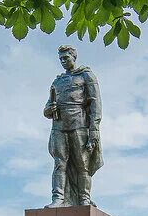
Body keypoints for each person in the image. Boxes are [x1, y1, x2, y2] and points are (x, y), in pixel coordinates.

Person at [44, 45, 103, 207]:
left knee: (82, 164)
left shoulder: (86, 76)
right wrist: (49, 109)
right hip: (59, 126)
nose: (63, 61)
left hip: (79, 124)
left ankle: (84, 198)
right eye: (61, 59)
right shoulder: (57, 81)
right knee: (59, 163)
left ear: (73, 57)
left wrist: (94, 130)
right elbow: (47, 108)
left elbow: (95, 104)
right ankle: (58, 198)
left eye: (66, 58)